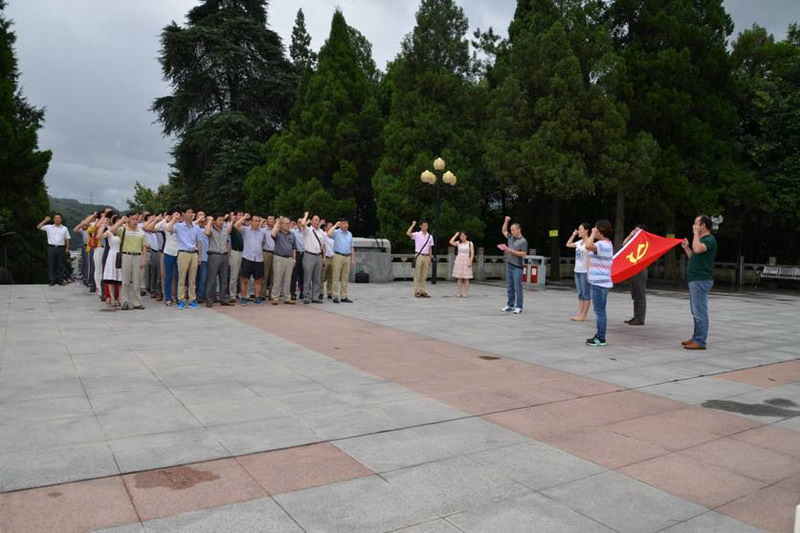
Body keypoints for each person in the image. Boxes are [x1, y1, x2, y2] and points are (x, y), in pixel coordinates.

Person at [681, 215, 717, 350]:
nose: (694, 226)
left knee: (700, 311)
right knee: (696, 311)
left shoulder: (709, 240)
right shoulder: (701, 241)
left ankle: (700, 341)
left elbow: (697, 249)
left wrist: (695, 234)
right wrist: (686, 248)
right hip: (696, 280)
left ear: (703, 226)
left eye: (696, 224)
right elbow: (694, 257)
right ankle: (696, 337)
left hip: (701, 280)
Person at [584, 220, 614, 347]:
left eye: (595, 229)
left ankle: (601, 338)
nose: (594, 230)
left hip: (599, 283)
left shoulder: (602, 244)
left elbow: (588, 246)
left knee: (599, 311)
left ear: (600, 230)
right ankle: (599, 335)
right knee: (600, 310)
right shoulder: (607, 244)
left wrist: (592, 234)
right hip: (602, 282)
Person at [166, 209, 203, 309]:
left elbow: (199, 242)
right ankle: (181, 299)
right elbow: (168, 229)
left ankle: (192, 299)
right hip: (183, 253)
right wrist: (174, 219)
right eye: (189, 213)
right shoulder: (179, 226)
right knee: (182, 278)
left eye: (192, 213)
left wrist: (199, 256)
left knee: (192, 279)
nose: (191, 214)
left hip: (193, 253)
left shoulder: (196, 227)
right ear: (184, 214)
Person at [234, 214, 268, 305]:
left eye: (259, 221)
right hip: (247, 257)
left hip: (259, 259)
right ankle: (243, 297)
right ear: (251, 222)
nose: (257, 223)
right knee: (244, 279)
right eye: (255, 221)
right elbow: (236, 225)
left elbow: (263, 243)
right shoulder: (246, 230)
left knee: (258, 280)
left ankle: (257, 297)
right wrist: (244, 217)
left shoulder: (262, 232)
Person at [117, 213, 148, 310]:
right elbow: (112, 230)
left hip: (137, 256)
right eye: (133, 219)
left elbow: (144, 246)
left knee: (136, 280)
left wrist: (144, 259)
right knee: (125, 280)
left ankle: (137, 302)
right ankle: (124, 301)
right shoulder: (123, 230)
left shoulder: (141, 232)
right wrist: (121, 221)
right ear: (129, 220)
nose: (135, 221)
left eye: (136, 219)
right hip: (126, 255)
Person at [204, 214, 234, 307]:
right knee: (211, 279)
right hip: (214, 255)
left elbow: (229, 231)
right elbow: (207, 232)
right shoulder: (210, 229)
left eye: (222, 220)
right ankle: (209, 299)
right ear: (215, 221)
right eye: (219, 220)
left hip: (224, 255)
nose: (221, 222)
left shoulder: (225, 229)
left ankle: (224, 298)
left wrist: (232, 219)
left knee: (224, 279)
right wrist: (210, 221)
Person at [623, 224, 648, 326]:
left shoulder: (645, 242)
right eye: (634, 230)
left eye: (637, 231)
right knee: (635, 294)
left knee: (640, 294)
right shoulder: (633, 242)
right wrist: (630, 235)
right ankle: (636, 316)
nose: (635, 232)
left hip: (640, 270)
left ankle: (640, 318)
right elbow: (624, 244)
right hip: (633, 269)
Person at [299, 212, 327, 305]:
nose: (317, 222)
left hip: (318, 256)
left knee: (317, 278)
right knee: (307, 277)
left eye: (318, 220)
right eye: (315, 220)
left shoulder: (321, 232)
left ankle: (315, 297)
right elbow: (302, 224)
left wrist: (324, 257)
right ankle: (306, 297)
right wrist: (306, 215)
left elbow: (323, 245)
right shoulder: (307, 230)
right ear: (311, 221)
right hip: (309, 255)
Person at [501, 216, 527, 314]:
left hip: (517, 267)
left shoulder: (523, 241)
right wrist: (506, 221)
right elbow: (504, 230)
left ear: (518, 229)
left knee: (518, 287)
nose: (511, 232)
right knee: (510, 287)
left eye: (513, 230)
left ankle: (519, 306)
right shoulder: (511, 238)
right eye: (511, 230)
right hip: (509, 265)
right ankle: (510, 305)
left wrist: (511, 250)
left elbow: (523, 254)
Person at [566, 223, 592, 322]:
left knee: (586, 294)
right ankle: (580, 313)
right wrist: (573, 235)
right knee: (580, 293)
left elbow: (590, 259)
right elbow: (568, 244)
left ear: (586, 230)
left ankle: (584, 315)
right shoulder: (579, 242)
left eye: (580, 229)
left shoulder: (589, 243)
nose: (579, 231)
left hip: (585, 271)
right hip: (577, 270)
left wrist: (589, 273)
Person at [37, 213, 71, 285]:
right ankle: (52, 280)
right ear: (53, 219)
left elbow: (67, 238)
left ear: (61, 219)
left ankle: (60, 280)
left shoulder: (64, 228)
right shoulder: (49, 227)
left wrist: (67, 248)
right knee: (52, 264)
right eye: (55, 218)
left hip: (61, 248)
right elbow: (38, 227)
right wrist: (45, 220)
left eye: (59, 218)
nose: (57, 219)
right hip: (51, 247)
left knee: (61, 265)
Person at [270, 216, 298, 304]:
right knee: (277, 278)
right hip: (279, 258)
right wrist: (277, 223)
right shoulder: (278, 233)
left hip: (289, 259)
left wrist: (294, 259)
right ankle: (275, 296)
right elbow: (272, 234)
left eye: (289, 224)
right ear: (281, 224)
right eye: (286, 223)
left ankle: (287, 297)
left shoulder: (292, 234)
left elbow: (294, 248)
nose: (288, 225)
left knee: (288, 279)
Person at [328, 219, 355, 303]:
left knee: (345, 277)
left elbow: (352, 247)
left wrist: (352, 259)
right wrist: (335, 225)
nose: (346, 225)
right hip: (338, 256)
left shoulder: (350, 234)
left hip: (347, 257)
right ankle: (335, 296)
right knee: (336, 276)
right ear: (340, 225)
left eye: (347, 223)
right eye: (343, 223)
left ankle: (344, 296)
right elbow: (328, 234)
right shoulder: (336, 232)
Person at [99, 215, 122, 306]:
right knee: (111, 277)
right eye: (117, 222)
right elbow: (100, 236)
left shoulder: (123, 231)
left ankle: (120, 297)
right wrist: (103, 226)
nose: (120, 224)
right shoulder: (109, 232)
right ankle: (112, 297)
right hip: (112, 254)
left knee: (120, 277)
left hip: (121, 255)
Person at [407, 220, 433, 298]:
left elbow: (430, 248)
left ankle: (423, 291)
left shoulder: (430, 236)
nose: (425, 227)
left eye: (426, 225)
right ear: (420, 226)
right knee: (417, 274)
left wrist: (430, 258)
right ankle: (417, 291)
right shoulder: (417, 234)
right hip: (419, 255)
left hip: (426, 256)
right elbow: (408, 233)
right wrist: (413, 225)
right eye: (424, 225)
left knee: (424, 275)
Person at [144, 213, 164, 301]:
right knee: (154, 272)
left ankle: (160, 291)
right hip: (156, 250)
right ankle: (154, 291)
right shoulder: (156, 226)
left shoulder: (165, 226)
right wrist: (154, 220)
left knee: (160, 274)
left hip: (164, 251)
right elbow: (146, 228)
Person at [448, 231, 474, 298]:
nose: (462, 237)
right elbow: (451, 242)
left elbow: (472, 253)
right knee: (459, 278)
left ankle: (465, 293)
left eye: (464, 236)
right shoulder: (458, 243)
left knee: (466, 278)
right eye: (461, 236)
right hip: (459, 260)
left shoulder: (470, 243)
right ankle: (459, 292)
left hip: (466, 260)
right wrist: (455, 235)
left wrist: (470, 261)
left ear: (466, 236)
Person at [228, 213, 244, 302]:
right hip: (235, 252)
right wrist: (233, 220)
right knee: (234, 275)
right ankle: (232, 295)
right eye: (239, 215)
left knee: (243, 276)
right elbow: (233, 227)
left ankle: (242, 293)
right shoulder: (233, 227)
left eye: (242, 215)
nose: (241, 217)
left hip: (245, 253)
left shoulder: (245, 228)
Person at [261, 215, 276, 300]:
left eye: (273, 219)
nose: (271, 220)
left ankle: (272, 294)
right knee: (264, 274)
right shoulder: (263, 230)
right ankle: (262, 294)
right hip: (266, 252)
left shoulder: (277, 230)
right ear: (266, 221)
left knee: (274, 275)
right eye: (270, 219)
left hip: (276, 253)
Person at [290, 217, 306, 301]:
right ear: (297, 224)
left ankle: (303, 292)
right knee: (294, 274)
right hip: (296, 253)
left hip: (305, 254)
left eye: (302, 222)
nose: (301, 224)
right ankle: (292, 293)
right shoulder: (293, 231)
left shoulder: (306, 231)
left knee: (303, 275)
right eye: (299, 222)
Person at [322, 222, 335, 300]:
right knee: (322, 276)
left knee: (331, 277)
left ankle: (329, 292)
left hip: (332, 258)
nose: (332, 228)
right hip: (325, 258)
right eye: (330, 226)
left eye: (332, 226)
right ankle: (320, 292)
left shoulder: (333, 237)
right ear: (325, 228)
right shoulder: (323, 234)